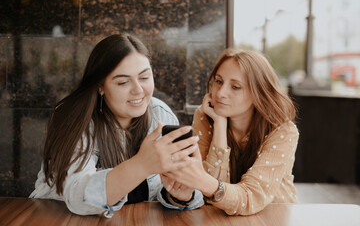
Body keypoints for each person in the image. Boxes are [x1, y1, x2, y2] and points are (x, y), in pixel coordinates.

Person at [30, 33, 203, 217]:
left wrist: (180, 196)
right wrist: (142, 164)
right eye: (123, 82)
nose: (138, 90)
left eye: (144, 77)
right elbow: (77, 197)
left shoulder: (161, 115)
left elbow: (180, 190)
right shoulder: (75, 118)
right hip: (55, 217)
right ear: (100, 86)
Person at [162, 48, 299, 215]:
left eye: (235, 87)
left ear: (258, 93)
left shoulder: (283, 131)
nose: (220, 93)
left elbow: (251, 196)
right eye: (218, 81)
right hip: (220, 218)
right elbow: (208, 197)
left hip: (272, 216)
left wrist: (202, 181)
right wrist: (220, 125)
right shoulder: (206, 116)